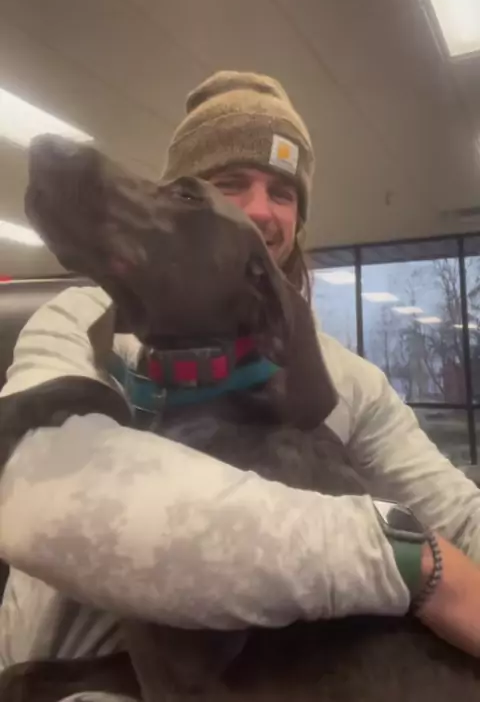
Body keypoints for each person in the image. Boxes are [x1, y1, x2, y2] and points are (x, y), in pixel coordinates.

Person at [2, 70, 480, 672]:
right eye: (229, 184)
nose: (259, 210)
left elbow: (460, 517)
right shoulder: (78, 322)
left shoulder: (350, 383)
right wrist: (403, 555)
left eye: (282, 193)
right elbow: (44, 491)